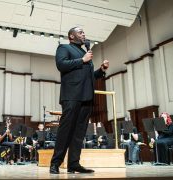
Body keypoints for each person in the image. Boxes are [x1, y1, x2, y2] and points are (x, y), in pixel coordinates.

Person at [50, 26, 109, 174]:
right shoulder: (64, 48)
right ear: (71, 36)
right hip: (71, 96)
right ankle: (55, 164)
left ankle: (74, 164)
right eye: (80, 32)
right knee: (66, 131)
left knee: (79, 133)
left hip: (87, 98)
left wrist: (100, 70)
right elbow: (61, 65)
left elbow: (87, 76)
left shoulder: (84, 53)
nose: (84, 34)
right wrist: (82, 60)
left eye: (84, 32)